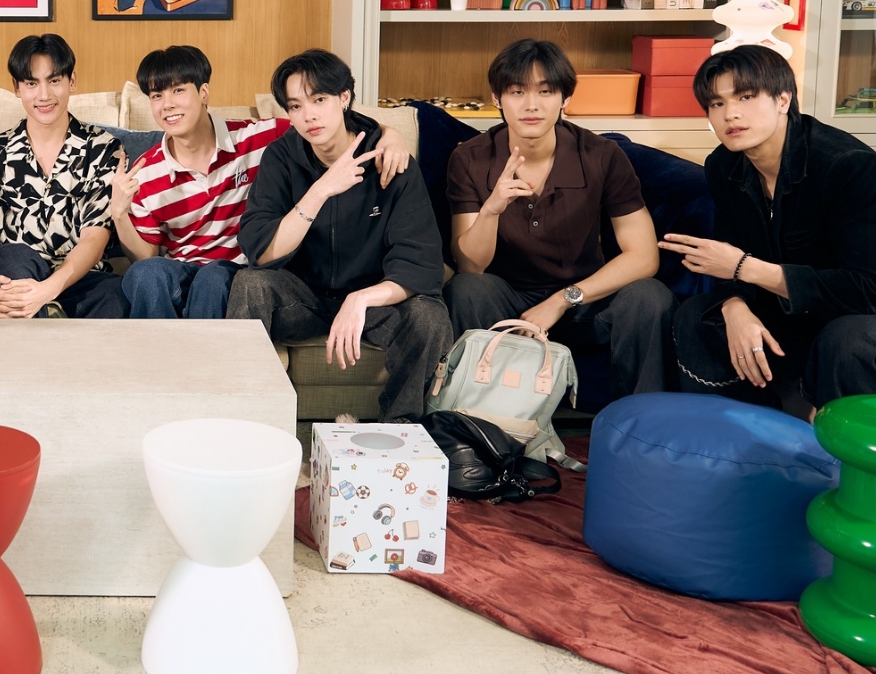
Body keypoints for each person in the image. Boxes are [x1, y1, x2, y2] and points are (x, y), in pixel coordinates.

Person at [663, 45, 876, 410]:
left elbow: (871, 290)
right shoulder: (723, 165)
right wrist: (734, 306)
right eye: (717, 103)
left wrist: (746, 268)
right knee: (697, 317)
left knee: (848, 340)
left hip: (867, 309)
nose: (730, 114)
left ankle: (834, 440)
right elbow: (728, 256)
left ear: (783, 100)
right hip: (786, 303)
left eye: (746, 97)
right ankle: (736, 432)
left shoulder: (847, 165)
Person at [225, 50, 449, 421]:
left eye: (319, 100)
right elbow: (260, 251)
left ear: (344, 97)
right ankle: (245, 422)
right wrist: (319, 191)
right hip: (304, 299)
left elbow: (420, 263)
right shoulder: (281, 158)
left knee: (429, 317)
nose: (308, 115)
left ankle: (401, 427)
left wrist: (360, 299)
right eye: (295, 106)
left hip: (372, 303)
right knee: (250, 284)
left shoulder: (390, 160)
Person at [444, 39, 673, 399]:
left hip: (584, 301)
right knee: (466, 289)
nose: (531, 105)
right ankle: (478, 416)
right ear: (496, 98)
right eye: (517, 91)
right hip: (507, 302)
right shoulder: (470, 159)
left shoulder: (602, 155)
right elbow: (472, 266)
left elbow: (644, 256)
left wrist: (562, 300)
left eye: (546, 91)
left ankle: (640, 419)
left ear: (565, 98)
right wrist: (491, 210)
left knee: (650, 297)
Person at [115, 45, 409, 319]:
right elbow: (145, 257)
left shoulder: (258, 138)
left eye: (178, 90)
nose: (167, 105)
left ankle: (205, 357)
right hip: (180, 270)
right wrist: (119, 214)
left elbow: (326, 122)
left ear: (204, 92)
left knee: (212, 278)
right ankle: (157, 356)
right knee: (145, 274)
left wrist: (390, 135)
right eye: (156, 96)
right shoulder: (145, 172)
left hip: (237, 273)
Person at [0, 34, 127, 318]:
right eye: (31, 83)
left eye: (54, 81)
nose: (44, 95)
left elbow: (94, 237)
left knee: (116, 296)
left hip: (80, 277)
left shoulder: (103, 149)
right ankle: (38, 333)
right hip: (17, 271)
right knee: (9, 257)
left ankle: (49, 320)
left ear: (72, 81)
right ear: (16, 87)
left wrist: (47, 290)